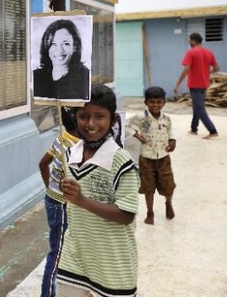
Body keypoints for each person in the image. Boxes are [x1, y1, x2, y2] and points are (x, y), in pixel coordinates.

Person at [57, 84, 140, 297]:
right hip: (75, 255)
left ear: (113, 120)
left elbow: (126, 215)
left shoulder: (122, 162)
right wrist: (65, 189)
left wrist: (82, 200)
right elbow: (70, 199)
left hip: (113, 262)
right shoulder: (70, 155)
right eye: (84, 116)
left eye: (99, 116)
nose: (91, 123)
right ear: (76, 118)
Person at [37, 106, 80, 297]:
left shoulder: (62, 139)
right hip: (62, 205)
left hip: (54, 200)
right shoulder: (77, 145)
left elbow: (43, 163)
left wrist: (50, 187)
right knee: (57, 253)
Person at [127, 86, 176, 225]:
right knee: (149, 187)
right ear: (146, 102)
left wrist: (172, 141)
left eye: (159, 102)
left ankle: (168, 203)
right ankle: (150, 212)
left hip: (163, 157)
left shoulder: (166, 119)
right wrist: (137, 134)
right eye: (152, 102)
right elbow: (127, 125)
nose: (155, 105)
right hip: (146, 158)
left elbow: (170, 131)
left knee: (169, 185)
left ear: (164, 103)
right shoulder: (140, 118)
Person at [173, 32, 219, 139]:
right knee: (196, 106)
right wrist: (206, 73)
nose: (189, 42)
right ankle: (194, 129)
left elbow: (186, 69)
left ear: (194, 41)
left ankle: (212, 131)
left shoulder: (191, 52)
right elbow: (216, 69)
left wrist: (178, 84)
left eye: (189, 40)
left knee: (199, 108)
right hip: (204, 84)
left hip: (195, 85)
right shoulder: (209, 52)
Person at [33, 19, 90, 100]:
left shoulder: (84, 77)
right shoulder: (36, 76)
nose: (59, 50)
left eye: (65, 43)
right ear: (47, 46)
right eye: (53, 44)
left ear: (74, 47)